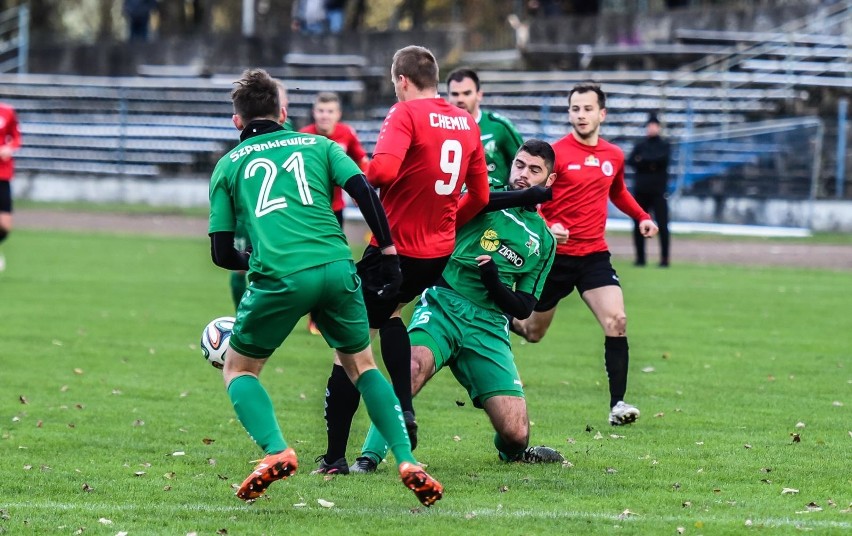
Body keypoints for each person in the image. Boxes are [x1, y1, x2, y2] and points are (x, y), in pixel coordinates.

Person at [207, 68, 443, 507]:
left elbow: (222, 253)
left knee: (239, 369)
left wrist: (254, 261)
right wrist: (388, 249)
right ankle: (408, 460)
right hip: (337, 267)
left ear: (236, 121)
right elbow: (365, 192)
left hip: (280, 275)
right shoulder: (318, 144)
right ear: (284, 112)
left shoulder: (228, 165)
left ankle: (277, 451)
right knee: (363, 366)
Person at [314, 45, 490, 474]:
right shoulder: (465, 122)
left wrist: (365, 166)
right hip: (436, 253)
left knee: (348, 345)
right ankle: (404, 410)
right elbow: (481, 196)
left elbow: (382, 173)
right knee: (389, 315)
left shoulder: (405, 114)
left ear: (402, 81)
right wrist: (448, 221)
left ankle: (336, 456)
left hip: (394, 249)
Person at [351, 140, 565, 473]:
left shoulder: (544, 240)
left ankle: (511, 452)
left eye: (535, 170)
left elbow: (523, 307)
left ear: (549, 180)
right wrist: (522, 197)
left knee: (516, 434)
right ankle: (368, 458)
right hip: (443, 306)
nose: (523, 174)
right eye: (520, 165)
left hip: (489, 326)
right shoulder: (487, 193)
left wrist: (494, 282)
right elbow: (467, 203)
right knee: (409, 369)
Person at [511, 82, 659, 426]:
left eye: (587, 108)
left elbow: (618, 191)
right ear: (569, 113)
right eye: (575, 109)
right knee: (533, 332)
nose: (581, 115)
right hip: (556, 258)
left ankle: (618, 404)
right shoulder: (556, 154)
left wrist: (642, 217)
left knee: (617, 321)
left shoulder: (614, 156)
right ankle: (506, 317)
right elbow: (534, 197)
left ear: (601, 114)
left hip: (594, 257)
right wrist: (547, 226)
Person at [299, 91, 369, 334]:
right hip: (309, 212)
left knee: (334, 264)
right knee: (312, 262)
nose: (324, 115)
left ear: (337, 114)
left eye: (329, 111)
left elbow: (362, 162)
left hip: (335, 210)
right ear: (314, 112)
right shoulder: (303, 137)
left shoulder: (346, 134)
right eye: (320, 110)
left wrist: (363, 193)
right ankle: (314, 316)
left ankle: (329, 314)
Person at [229, 81, 293, 310]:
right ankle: (240, 313)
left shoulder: (290, 133)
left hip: (272, 212)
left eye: (284, 97)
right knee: (239, 266)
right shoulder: (249, 132)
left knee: (272, 264)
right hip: (247, 211)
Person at [446, 68, 524, 191]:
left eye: (466, 93)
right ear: (448, 96)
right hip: (455, 204)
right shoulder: (440, 128)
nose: (460, 99)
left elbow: (525, 164)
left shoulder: (499, 126)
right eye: (455, 94)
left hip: (496, 203)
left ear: (479, 95)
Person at [627, 112, 671, 267]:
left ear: (658, 127)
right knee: (638, 224)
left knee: (663, 225)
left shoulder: (664, 145)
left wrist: (643, 161)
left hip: (658, 192)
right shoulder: (640, 145)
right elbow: (631, 161)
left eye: (654, 126)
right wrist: (650, 163)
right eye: (650, 126)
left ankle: (665, 259)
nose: (652, 128)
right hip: (641, 191)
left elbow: (661, 160)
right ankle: (640, 258)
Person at [0, 101, 21, 273]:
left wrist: (9, 148)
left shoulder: (7, 111)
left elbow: (16, 137)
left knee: (5, 226)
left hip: (3, 175)